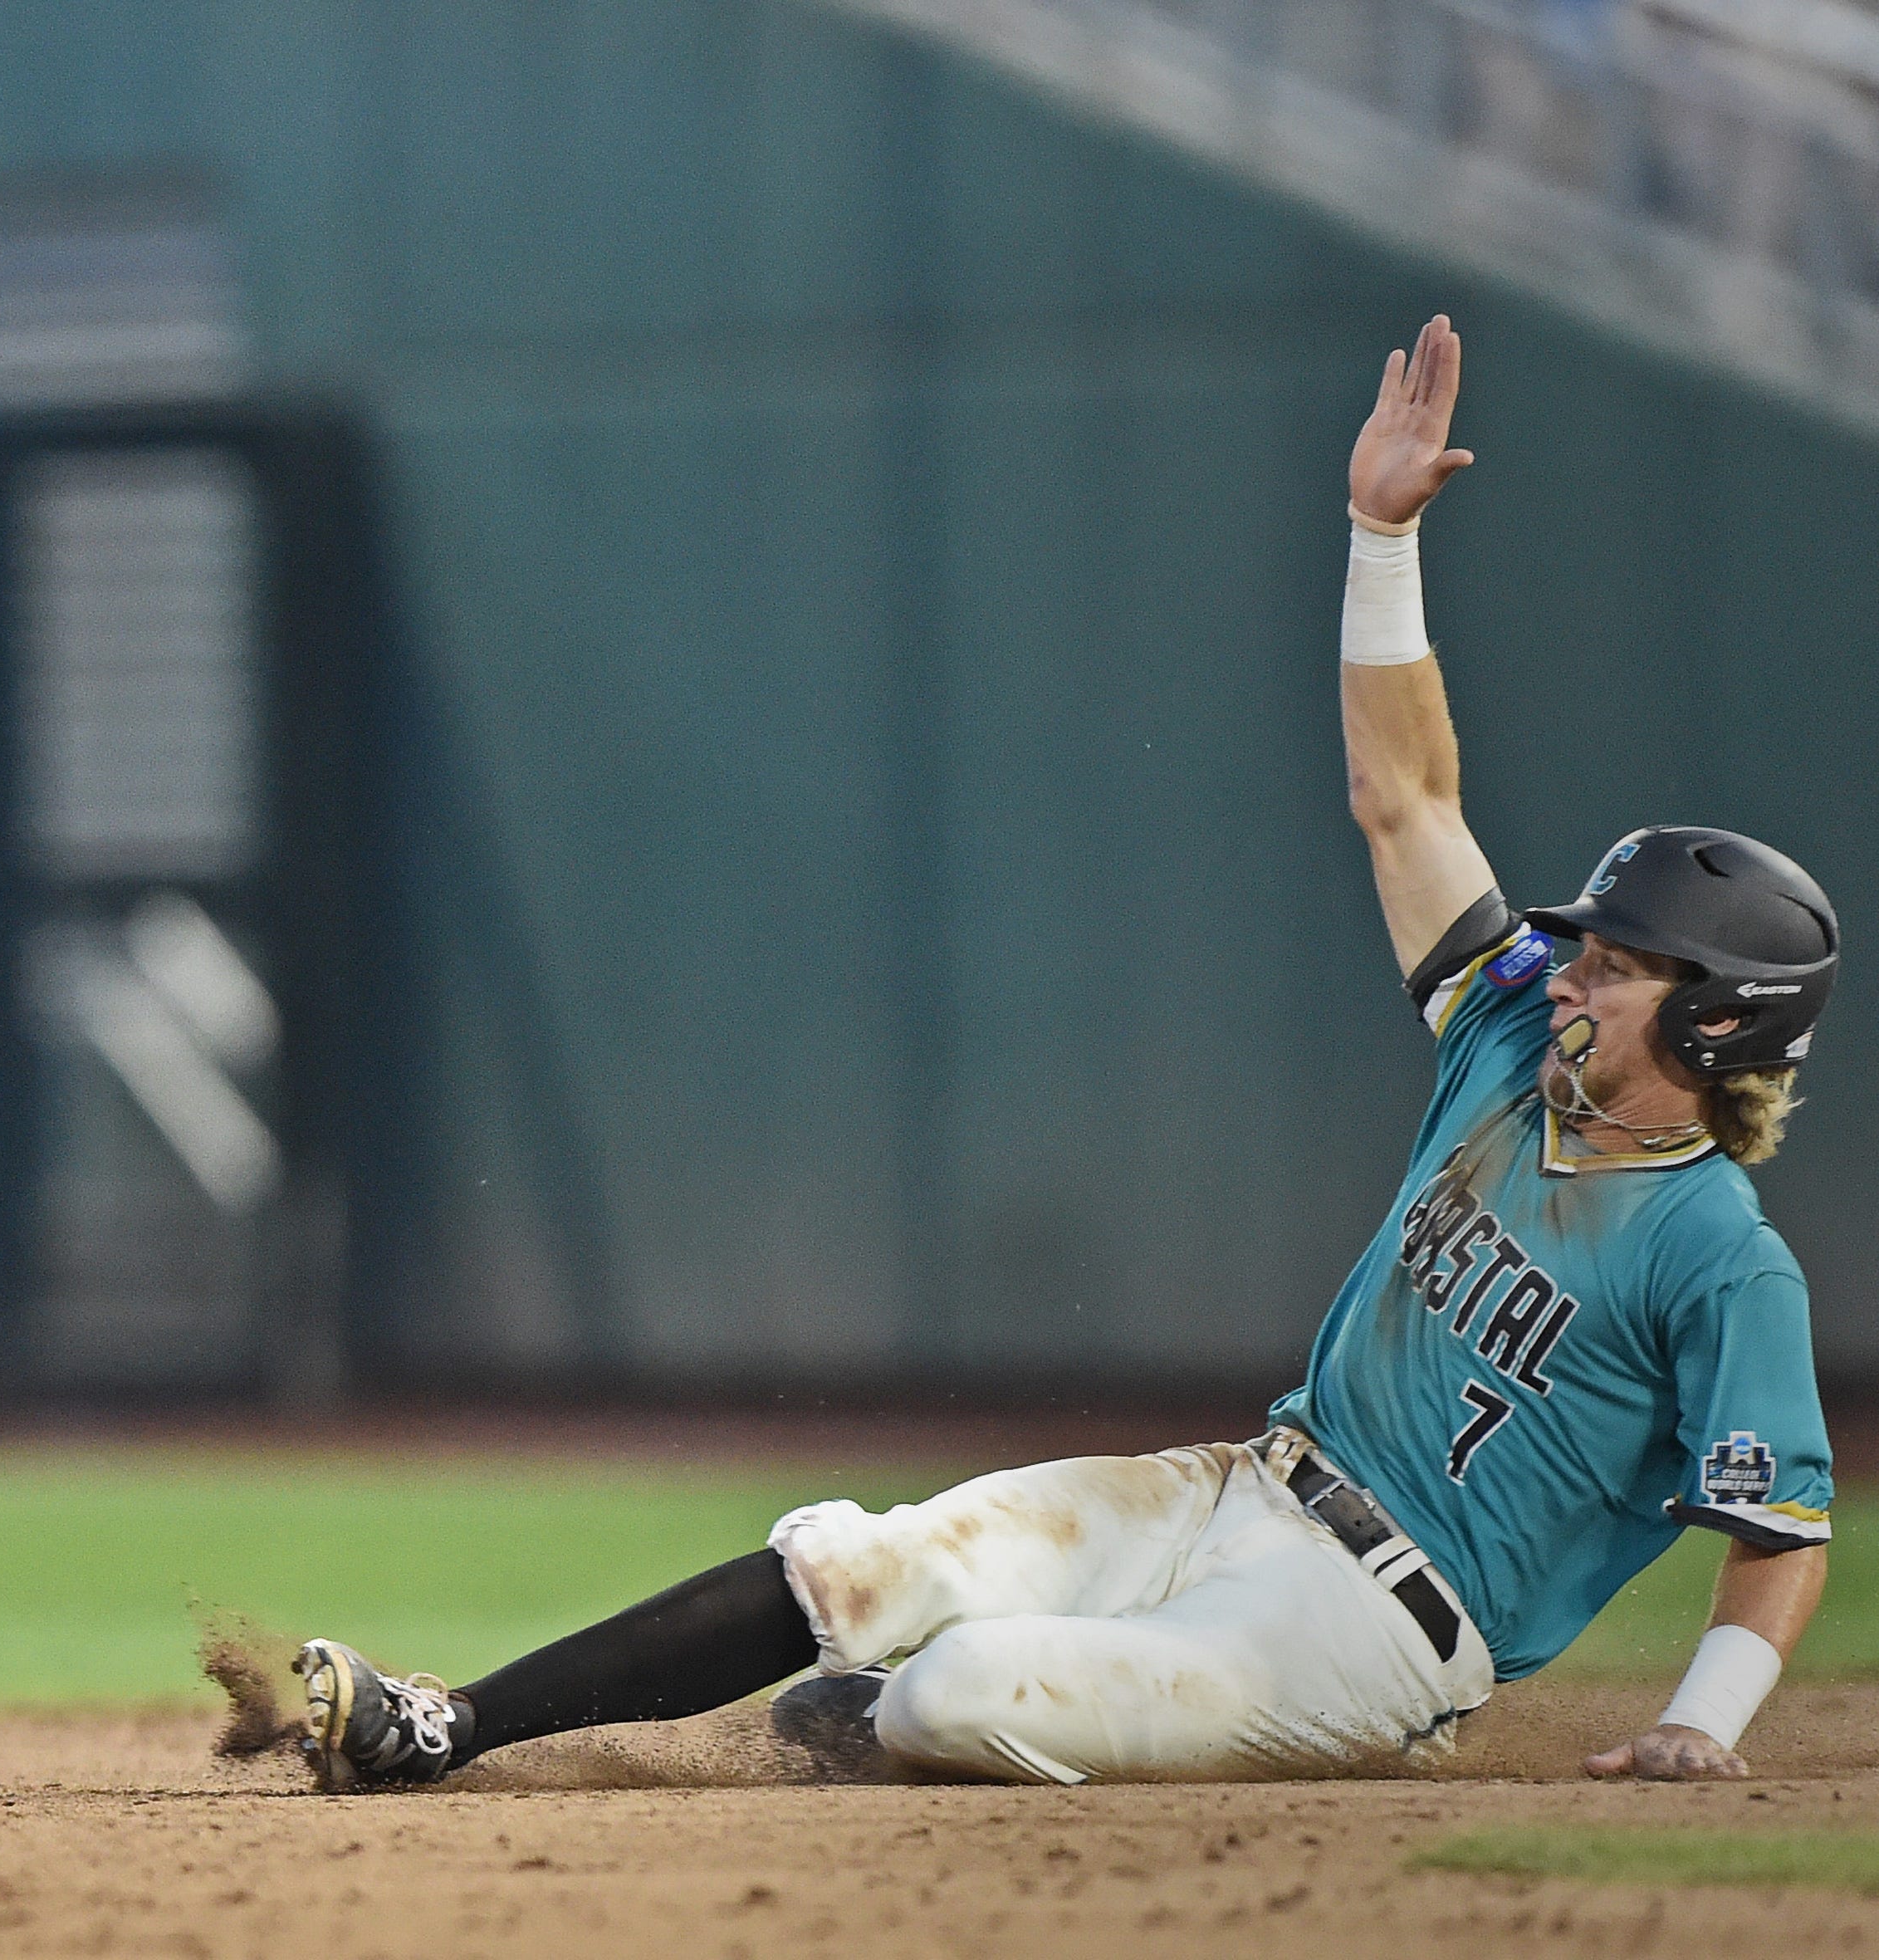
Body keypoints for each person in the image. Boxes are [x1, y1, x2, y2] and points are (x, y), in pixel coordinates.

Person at [296, 316, 1837, 1789]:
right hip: (1245, 1484)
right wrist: (1383, 540)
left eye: (1618, 964)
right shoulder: (1508, 1044)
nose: (1568, 972)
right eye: (1579, 947)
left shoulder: (1718, 1255)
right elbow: (1409, 803)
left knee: (963, 1686)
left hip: (1379, 1629)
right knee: (866, 1562)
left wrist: (1705, 1722)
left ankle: (920, 1714)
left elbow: (1785, 1523)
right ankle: (442, 1727)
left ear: (1715, 1021)